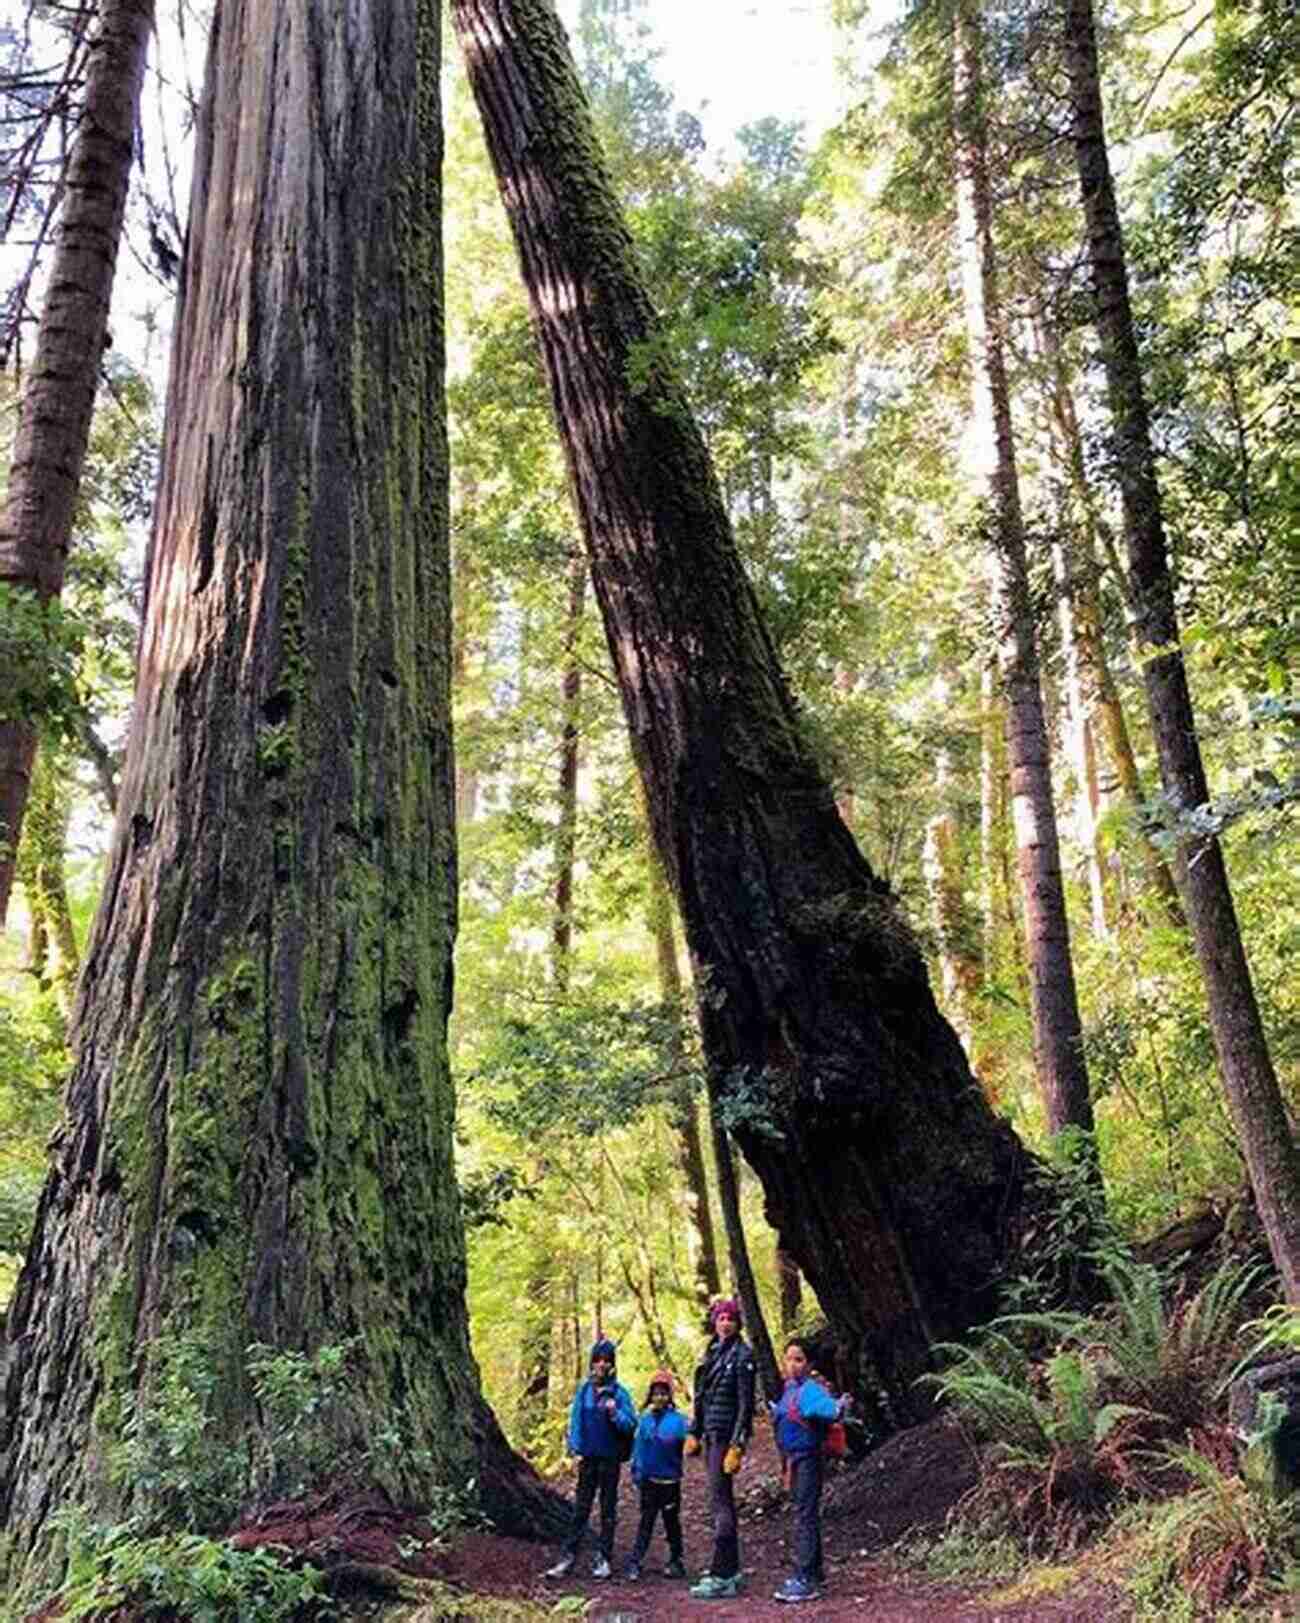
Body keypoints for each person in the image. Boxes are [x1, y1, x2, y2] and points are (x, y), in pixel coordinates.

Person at [543, 1337, 637, 1581]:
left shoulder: (620, 1393)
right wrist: (574, 1447)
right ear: (592, 1363)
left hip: (610, 1460)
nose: (602, 1365)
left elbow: (630, 1425)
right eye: (598, 1360)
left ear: (613, 1364)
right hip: (588, 1460)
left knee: (607, 1509)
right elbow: (576, 1422)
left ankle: (604, 1558)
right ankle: (568, 1558)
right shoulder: (584, 1391)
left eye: (607, 1360)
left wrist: (615, 1412)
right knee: (580, 1510)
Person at [770, 1337, 851, 1604]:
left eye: (799, 1360)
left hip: (808, 1460)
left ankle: (805, 1577)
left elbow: (829, 1411)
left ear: (809, 1363)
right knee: (805, 1513)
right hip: (795, 1460)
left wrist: (838, 1406)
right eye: (789, 1359)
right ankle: (814, 1572)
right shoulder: (790, 1389)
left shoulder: (810, 1390)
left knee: (804, 1516)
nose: (792, 1365)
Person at [686, 1297, 756, 1600]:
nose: (725, 1323)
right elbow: (701, 1397)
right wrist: (694, 1431)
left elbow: (745, 1404)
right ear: (714, 1321)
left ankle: (721, 1575)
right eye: (721, 1318)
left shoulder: (743, 1356)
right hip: (712, 1434)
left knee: (721, 1505)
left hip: (726, 1437)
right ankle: (732, 1569)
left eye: (731, 1318)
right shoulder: (711, 1353)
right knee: (719, 1501)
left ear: (738, 1322)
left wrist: (738, 1444)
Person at [624, 1368, 689, 1581]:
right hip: (649, 1481)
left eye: (663, 1393)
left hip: (670, 1481)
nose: (659, 1398)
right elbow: (639, 1449)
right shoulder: (645, 1421)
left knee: (672, 1523)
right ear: (650, 1396)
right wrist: (636, 1471)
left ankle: (676, 1559)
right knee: (646, 1521)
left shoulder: (678, 1421)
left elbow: (688, 1445)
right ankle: (635, 1561)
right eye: (656, 1393)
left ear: (669, 1396)